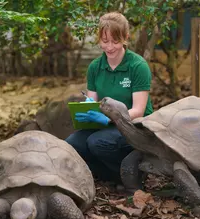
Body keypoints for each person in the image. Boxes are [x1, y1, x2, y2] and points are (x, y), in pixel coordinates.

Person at [65, 12, 153, 183]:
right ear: (99, 39)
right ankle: (109, 175)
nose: (110, 47)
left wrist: (109, 119)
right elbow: (92, 102)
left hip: (134, 126)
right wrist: (87, 110)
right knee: (72, 144)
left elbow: (139, 110)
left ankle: (134, 172)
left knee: (97, 143)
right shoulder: (95, 67)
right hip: (105, 123)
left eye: (115, 41)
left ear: (126, 37)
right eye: (105, 41)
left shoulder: (138, 66)